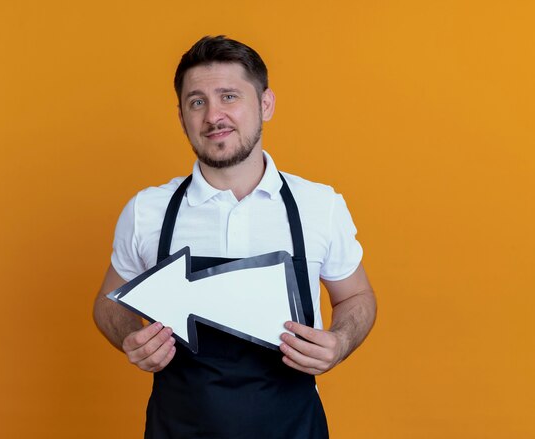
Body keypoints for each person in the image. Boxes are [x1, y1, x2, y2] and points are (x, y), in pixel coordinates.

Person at [93, 35, 377, 439]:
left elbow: (357, 296)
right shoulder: (147, 211)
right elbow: (108, 303)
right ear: (181, 115)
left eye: (229, 96)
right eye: (197, 102)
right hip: (177, 428)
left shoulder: (319, 205)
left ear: (265, 104)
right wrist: (130, 339)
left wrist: (339, 341)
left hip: (294, 428)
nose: (213, 116)